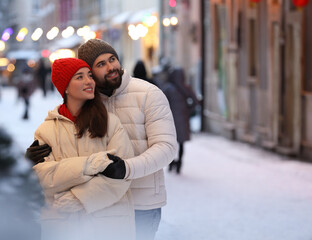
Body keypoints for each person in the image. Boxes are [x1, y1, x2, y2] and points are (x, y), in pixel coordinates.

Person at [26, 39, 178, 240]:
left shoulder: (148, 94)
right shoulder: (87, 99)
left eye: (112, 59)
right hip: (100, 207)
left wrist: (126, 168)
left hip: (142, 203)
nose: (111, 67)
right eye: (100, 64)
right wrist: (33, 157)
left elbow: (166, 148)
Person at [32, 58, 136, 240]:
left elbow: (121, 174)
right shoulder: (46, 131)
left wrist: (78, 198)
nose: (89, 81)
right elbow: (43, 177)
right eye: (79, 77)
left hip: (109, 225)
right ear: (64, 87)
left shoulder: (110, 123)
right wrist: (92, 164)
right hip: (63, 227)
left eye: (89, 75)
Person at [161, 66, 201, 174]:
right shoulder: (186, 88)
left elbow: (162, 102)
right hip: (183, 119)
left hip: (170, 119)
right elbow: (195, 102)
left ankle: (171, 162)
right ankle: (179, 163)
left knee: (170, 142)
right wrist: (188, 110)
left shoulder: (168, 88)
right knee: (181, 143)